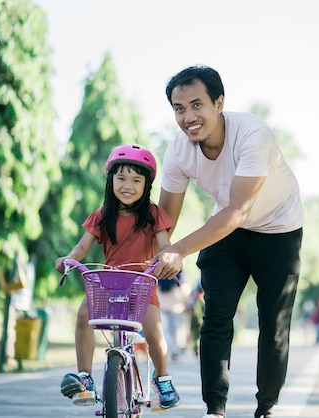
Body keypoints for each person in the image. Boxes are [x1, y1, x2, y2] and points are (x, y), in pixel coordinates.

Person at [149, 65, 304, 418]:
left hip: (279, 230)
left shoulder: (253, 134)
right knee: (216, 316)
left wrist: (179, 250)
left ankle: (267, 407)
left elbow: (238, 209)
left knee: (274, 324)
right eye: (178, 108)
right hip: (228, 234)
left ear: (219, 103)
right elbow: (164, 223)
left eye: (196, 105)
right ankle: (215, 409)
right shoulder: (178, 151)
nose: (188, 117)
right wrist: (144, 257)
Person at [55, 144, 181, 409]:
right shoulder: (102, 216)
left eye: (137, 180)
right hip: (108, 286)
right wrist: (68, 259)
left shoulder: (153, 214)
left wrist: (168, 256)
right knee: (82, 316)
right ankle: (85, 377)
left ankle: (163, 379)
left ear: (146, 185)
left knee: (155, 332)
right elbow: (81, 247)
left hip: (141, 286)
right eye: (121, 178)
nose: (128, 185)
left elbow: (165, 244)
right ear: (110, 179)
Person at [157, 271, 190, 362]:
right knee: (175, 332)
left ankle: (169, 351)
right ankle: (174, 352)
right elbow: (185, 291)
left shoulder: (160, 276)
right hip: (177, 308)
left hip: (163, 306)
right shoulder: (179, 278)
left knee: (166, 331)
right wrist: (187, 303)